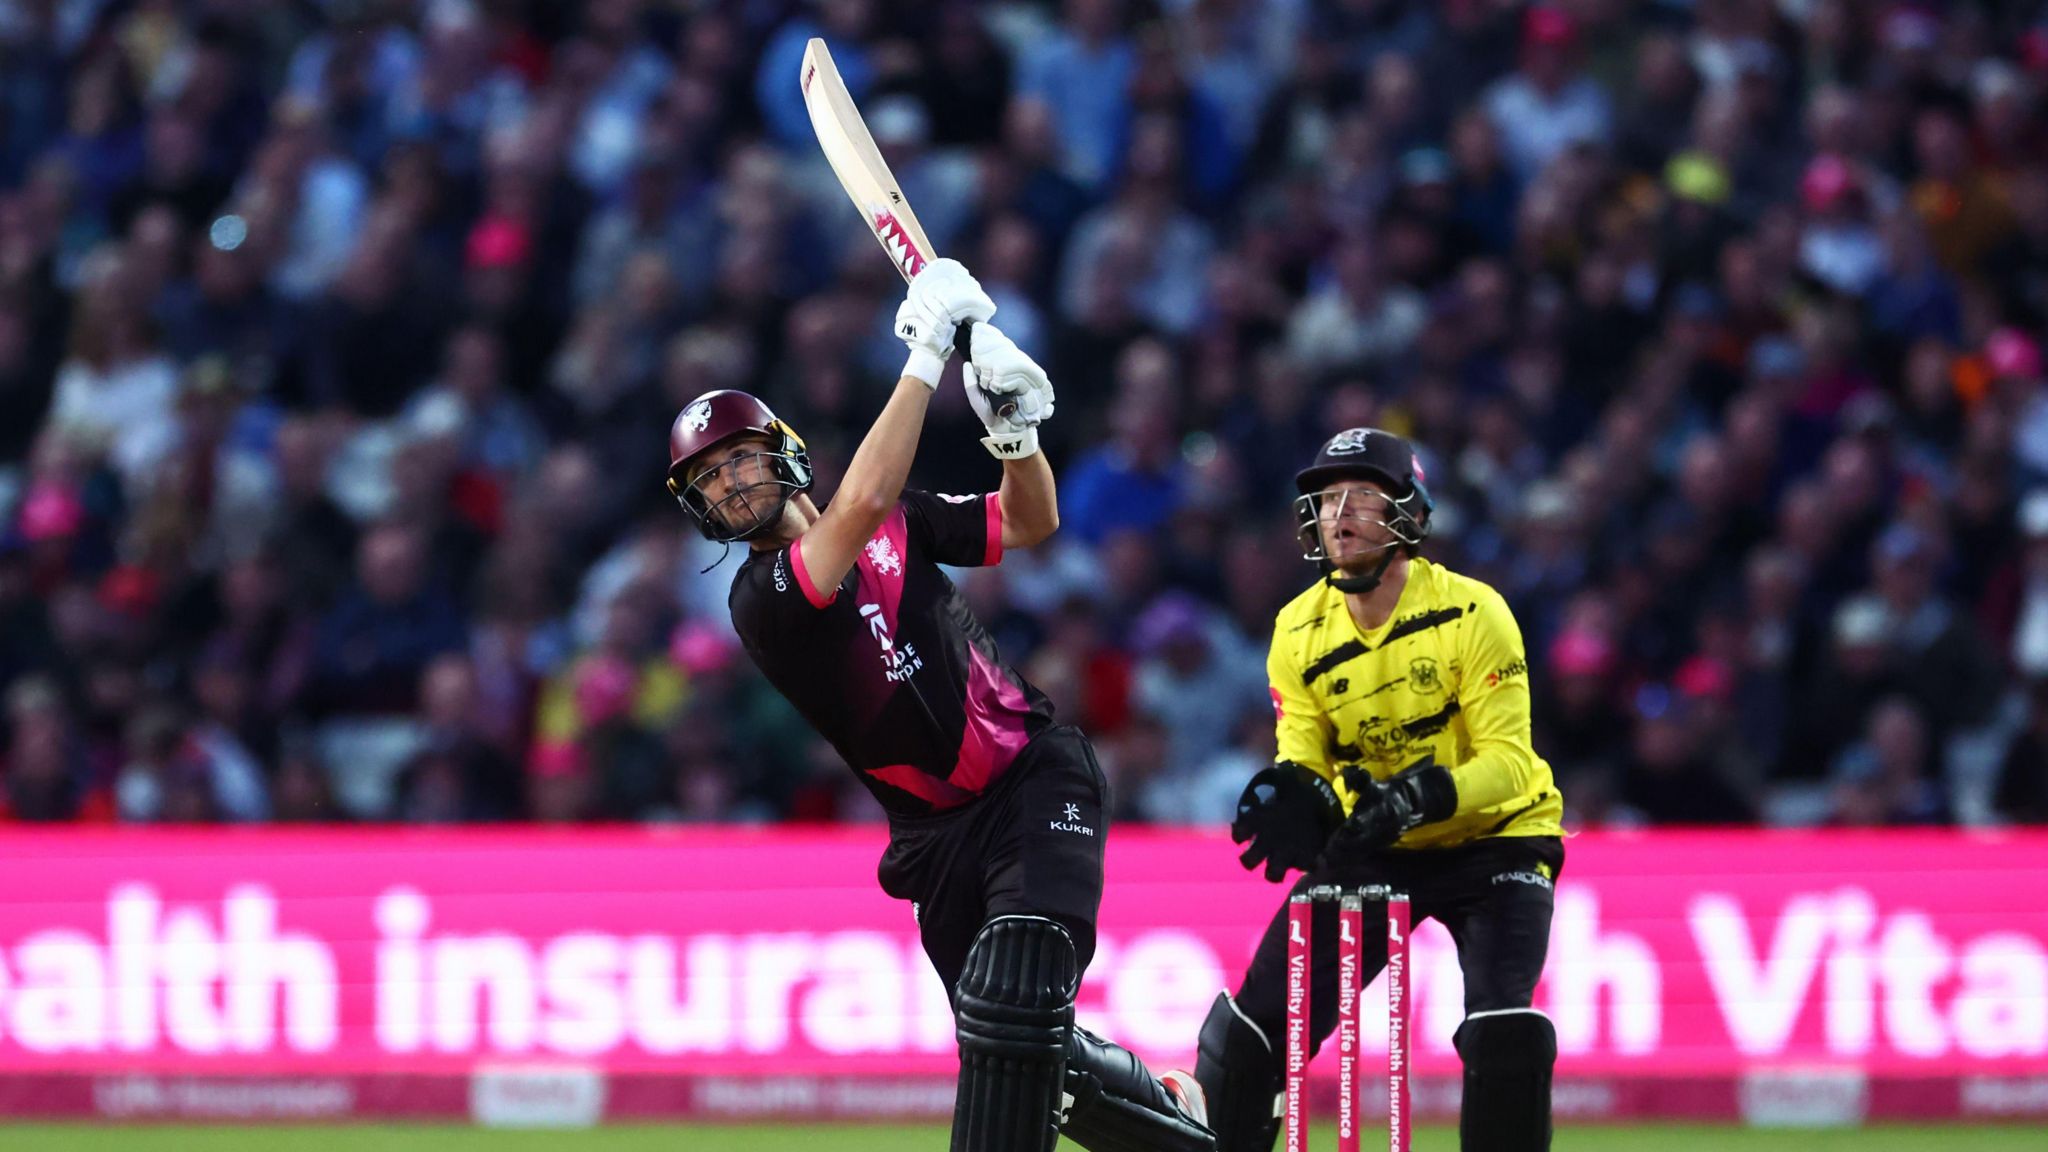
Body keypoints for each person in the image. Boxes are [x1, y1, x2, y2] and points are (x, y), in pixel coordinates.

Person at [663, 259, 1213, 1152]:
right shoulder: (759, 598)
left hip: (1032, 781)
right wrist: (924, 353)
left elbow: (1028, 522)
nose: (729, 486)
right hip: (935, 842)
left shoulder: (895, 518)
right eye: (709, 481)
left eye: (737, 460)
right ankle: (1182, 1112)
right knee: (1024, 1056)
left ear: (782, 448)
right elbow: (863, 499)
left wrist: (1017, 433)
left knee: (1013, 1009)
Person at [1194, 428, 1566, 1152]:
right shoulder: (1295, 630)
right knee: (1248, 1039)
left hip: (1496, 841)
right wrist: (1300, 803)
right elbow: (1301, 757)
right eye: (1328, 498)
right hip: (1378, 844)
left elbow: (1511, 767)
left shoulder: (1472, 612)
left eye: (1362, 496)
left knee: (1504, 1033)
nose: (1340, 515)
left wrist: (1421, 796)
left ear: (1410, 515)